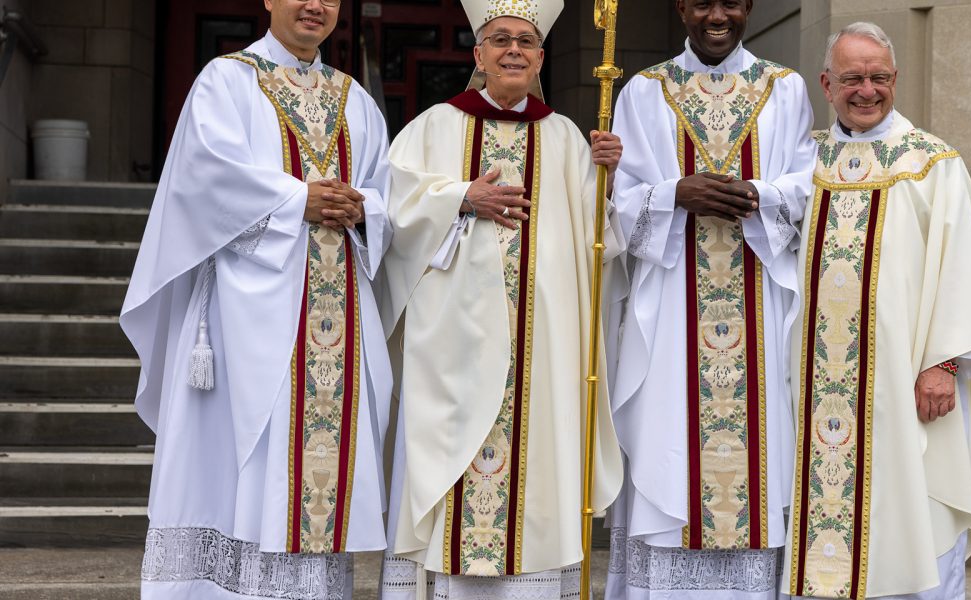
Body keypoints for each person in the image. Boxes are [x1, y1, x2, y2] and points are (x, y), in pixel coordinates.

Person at [121, 0, 394, 597]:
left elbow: (383, 192)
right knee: (242, 471)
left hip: (335, 319)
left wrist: (364, 210)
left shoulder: (357, 100)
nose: (315, 6)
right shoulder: (226, 81)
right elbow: (203, 179)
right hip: (242, 319)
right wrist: (300, 200)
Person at [374, 1, 626, 597]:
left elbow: (601, 243)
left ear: (541, 59)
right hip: (451, 350)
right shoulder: (433, 127)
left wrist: (610, 176)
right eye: (499, 40)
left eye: (526, 42)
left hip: (543, 352)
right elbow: (391, 213)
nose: (513, 50)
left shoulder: (565, 136)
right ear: (478, 54)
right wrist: (460, 196)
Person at [780, 22, 971, 600]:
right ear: (826, 83)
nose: (867, 90)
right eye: (852, 78)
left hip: (908, 387)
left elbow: (962, 270)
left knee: (918, 510)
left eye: (879, 77)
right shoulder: (804, 159)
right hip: (814, 392)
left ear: (895, 80)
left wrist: (945, 365)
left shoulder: (932, 162)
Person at [603, 0, 818, 598]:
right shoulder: (644, 91)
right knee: (667, 433)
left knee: (763, 450)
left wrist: (757, 194)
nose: (716, 16)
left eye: (730, 3)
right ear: (681, 8)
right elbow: (617, 203)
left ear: (748, 7)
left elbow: (809, 184)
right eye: (702, 3)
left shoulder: (786, 88)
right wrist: (676, 192)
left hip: (758, 293)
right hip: (672, 303)